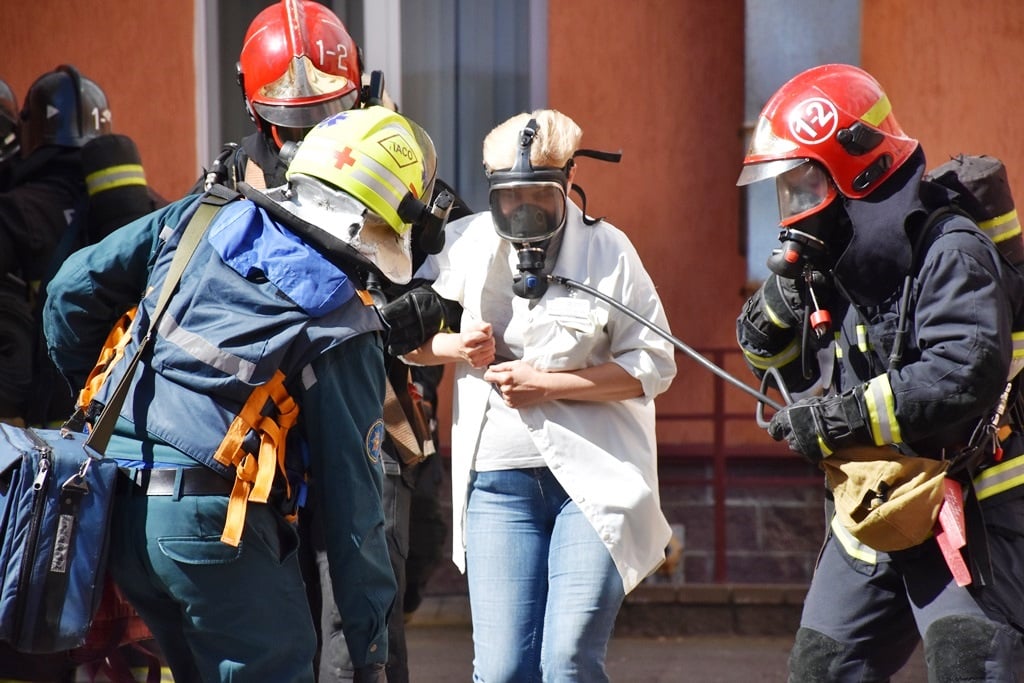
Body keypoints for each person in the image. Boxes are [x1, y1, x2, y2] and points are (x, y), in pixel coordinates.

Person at [41, 106, 440, 682]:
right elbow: (356, 512)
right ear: (389, 219)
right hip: (213, 527)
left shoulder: (202, 215)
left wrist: (107, 409)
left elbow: (69, 290)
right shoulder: (342, 322)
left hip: (115, 503)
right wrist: (371, 651)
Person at [735, 63, 1024, 681]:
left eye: (803, 187)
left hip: (962, 509)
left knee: (972, 668)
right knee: (823, 671)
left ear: (856, 168)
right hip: (872, 508)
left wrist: (842, 416)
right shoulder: (839, 260)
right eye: (785, 192)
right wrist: (771, 315)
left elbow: (963, 371)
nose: (792, 212)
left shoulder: (951, 251)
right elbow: (776, 362)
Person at [206, 4, 458, 679]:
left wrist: (414, 314)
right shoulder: (231, 184)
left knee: (365, 631)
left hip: (371, 427)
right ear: (259, 115)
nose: (309, 139)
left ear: (363, 95)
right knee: (291, 636)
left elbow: (455, 277)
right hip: (267, 455)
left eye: (329, 114)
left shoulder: (391, 157)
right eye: (292, 125)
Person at [402, 108, 677, 682]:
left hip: (591, 482)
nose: (523, 209)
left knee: (567, 661)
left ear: (569, 179)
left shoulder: (610, 252)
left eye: (540, 195)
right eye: (508, 197)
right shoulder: (462, 244)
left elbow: (654, 364)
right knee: (503, 671)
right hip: (497, 486)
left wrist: (546, 386)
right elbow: (407, 342)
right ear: (490, 187)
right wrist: (455, 347)